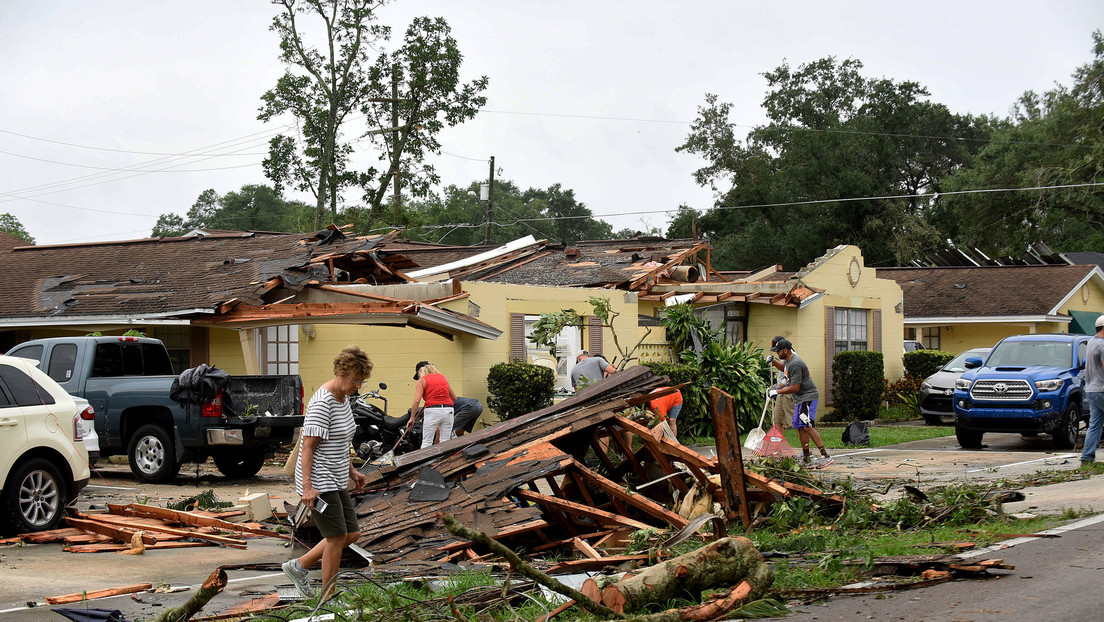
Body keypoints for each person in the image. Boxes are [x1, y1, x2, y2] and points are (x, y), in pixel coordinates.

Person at [283, 345, 372, 600]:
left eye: (361, 381)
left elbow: (341, 442)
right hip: (319, 481)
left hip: (335, 477)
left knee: (351, 533)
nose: (358, 385)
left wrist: (353, 472)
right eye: (356, 379)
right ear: (341, 373)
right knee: (335, 537)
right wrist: (308, 488)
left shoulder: (343, 400)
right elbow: (307, 447)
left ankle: (298, 566)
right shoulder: (323, 403)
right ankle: (327, 599)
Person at [769, 338, 832, 467]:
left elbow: (795, 387)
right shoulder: (788, 361)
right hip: (800, 399)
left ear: (785, 350)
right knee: (799, 426)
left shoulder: (795, 363)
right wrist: (773, 362)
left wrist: (778, 392)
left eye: (778, 352)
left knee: (807, 426)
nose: (777, 354)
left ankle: (826, 456)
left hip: (807, 398)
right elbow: (784, 367)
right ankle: (806, 458)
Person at [409, 361, 457, 449]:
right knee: (445, 441)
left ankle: (424, 462)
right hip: (448, 410)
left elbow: (417, 401)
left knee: (427, 441)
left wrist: (412, 418)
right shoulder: (443, 378)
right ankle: (444, 462)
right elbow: (454, 398)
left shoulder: (422, 381)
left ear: (421, 371)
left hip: (432, 410)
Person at [1080, 316, 1104, 466]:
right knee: (1095, 424)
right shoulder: (1102, 345)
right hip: (1102, 389)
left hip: (1091, 389)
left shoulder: (1091, 342)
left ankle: (1087, 458)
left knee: (1095, 424)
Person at [767, 336, 796, 430]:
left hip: (788, 392)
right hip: (781, 392)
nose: (776, 352)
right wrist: (773, 361)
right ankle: (779, 444)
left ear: (784, 349)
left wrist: (780, 386)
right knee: (777, 419)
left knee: (793, 422)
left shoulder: (793, 358)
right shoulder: (783, 357)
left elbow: (790, 376)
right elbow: (782, 368)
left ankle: (804, 443)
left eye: (778, 350)